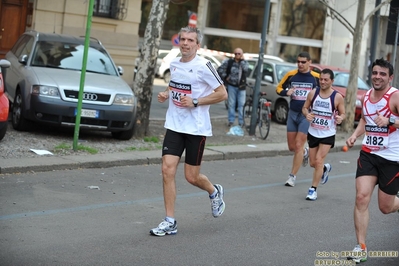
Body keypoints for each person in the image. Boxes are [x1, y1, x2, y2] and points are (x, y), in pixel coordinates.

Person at [150, 26, 228, 237]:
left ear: (197, 45)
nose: (185, 43)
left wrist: (196, 101)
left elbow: (222, 94)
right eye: (182, 39)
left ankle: (214, 191)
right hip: (175, 125)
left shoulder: (204, 66)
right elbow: (176, 86)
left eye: (190, 40)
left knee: (191, 177)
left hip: (196, 128)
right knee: (167, 169)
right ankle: (170, 221)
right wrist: (167, 93)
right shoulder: (174, 63)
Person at [345, 58, 399, 263]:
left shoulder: (395, 97)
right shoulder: (366, 96)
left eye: (382, 74)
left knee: (385, 208)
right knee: (361, 197)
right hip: (369, 154)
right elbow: (365, 119)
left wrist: (391, 120)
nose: (377, 77)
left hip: (392, 159)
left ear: (390, 78)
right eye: (375, 73)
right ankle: (361, 246)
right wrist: (355, 135)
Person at [276, 51, 320, 187]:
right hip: (292, 113)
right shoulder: (291, 75)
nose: (300, 64)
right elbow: (278, 88)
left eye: (303, 62)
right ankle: (305, 152)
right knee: (292, 147)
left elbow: (326, 91)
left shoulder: (316, 77)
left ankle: (292, 176)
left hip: (306, 115)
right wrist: (285, 92)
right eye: (298, 62)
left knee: (299, 145)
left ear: (309, 62)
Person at [302, 68, 345, 200]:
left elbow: (343, 113)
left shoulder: (337, 97)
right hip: (313, 132)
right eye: (321, 79)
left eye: (326, 80)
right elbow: (304, 107)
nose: (323, 82)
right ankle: (325, 169)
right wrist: (307, 114)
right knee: (313, 164)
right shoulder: (313, 93)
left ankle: (312, 190)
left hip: (328, 133)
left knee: (319, 161)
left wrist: (340, 118)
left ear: (332, 81)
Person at [217, 48, 249, 127]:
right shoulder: (229, 62)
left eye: (239, 54)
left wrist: (241, 61)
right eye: (236, 54)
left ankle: (241, 122)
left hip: (241, 86)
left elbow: (246, 69)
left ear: (242, 54)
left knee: (241, 105)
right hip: (232, 86)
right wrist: (226, 76)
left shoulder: (244, 62)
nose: (237, 55)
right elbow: (220, 69)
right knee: (231, 104)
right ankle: (231, 121)